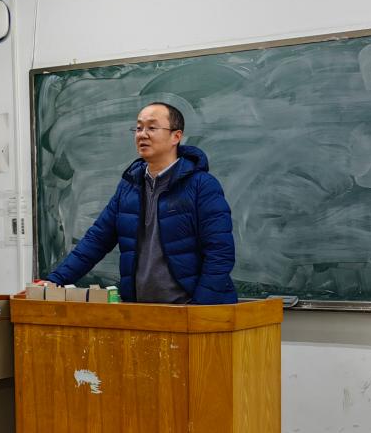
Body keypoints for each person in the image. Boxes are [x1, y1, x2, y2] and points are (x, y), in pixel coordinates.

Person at [47, 102, 237, 304]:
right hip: (141, 310)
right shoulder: (129, 187)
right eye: (138, 128)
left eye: (152, 128)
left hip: (188, 309)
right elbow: (96, 240)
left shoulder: (201, 185)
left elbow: (220, 252)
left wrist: (200, 307)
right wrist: (54, 281)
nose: (142, 134)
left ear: (176, 136)